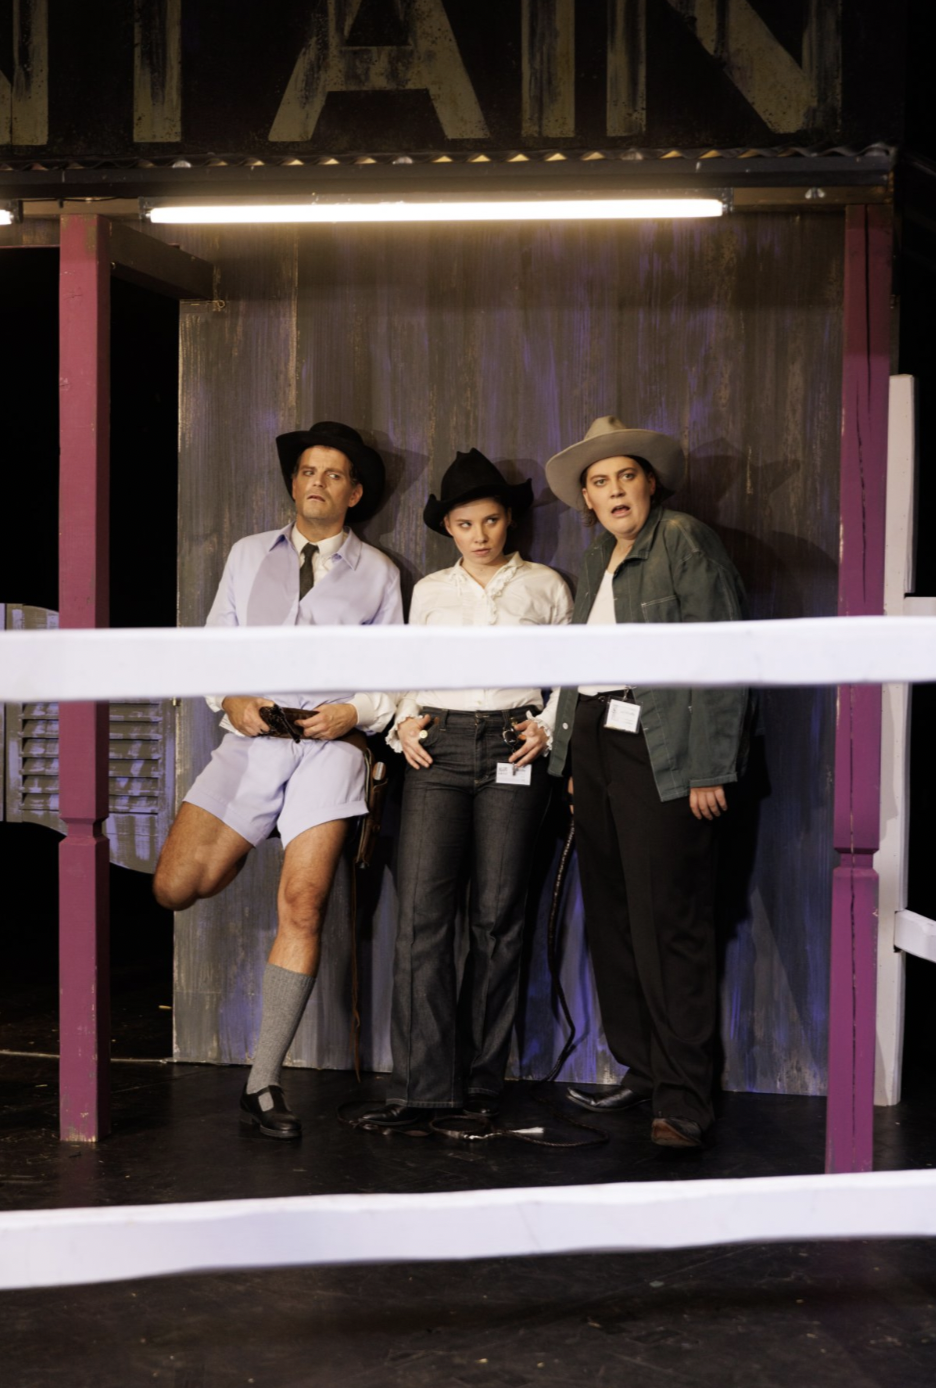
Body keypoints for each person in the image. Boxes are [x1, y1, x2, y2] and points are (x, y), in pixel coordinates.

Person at [153, 421, 403, 1140]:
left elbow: (396, 677)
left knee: (303, 903)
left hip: (332, 748)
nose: (317, 482)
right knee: (175, 887)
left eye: (333, 474)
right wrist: (230, 697)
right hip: (253, 742)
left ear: (354, 494)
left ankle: (261, 1085)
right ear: (294, 483)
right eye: (307, 471)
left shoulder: (379, 573)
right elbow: (214, 649)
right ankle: (251, 830)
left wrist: (354, 711)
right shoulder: (246, 555)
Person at [544, 416, 750, 1148]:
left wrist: (709, 765)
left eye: (625, 475)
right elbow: (584, 665)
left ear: (650, 482)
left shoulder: (684, 540)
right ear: (587, 500)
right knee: (614, 915)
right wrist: (572, 759)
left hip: (662, 746)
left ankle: (684, 1097)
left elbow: (723, 656)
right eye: (599, 482)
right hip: (597, 740)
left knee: (670, 921)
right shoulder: (598, 555)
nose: (614, 491)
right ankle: (644, 1067)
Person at [360, 449, 573, 1130]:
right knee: (421, 917)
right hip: (439, 747)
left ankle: (481, 1083)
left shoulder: (545, 585)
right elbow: (408, 670)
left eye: (490, 520)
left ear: (508, 520)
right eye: (464, 523)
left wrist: (548, 725)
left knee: (498, 917)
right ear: (447, 528)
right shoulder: (429, 591)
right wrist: (403, 722)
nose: (479, 535)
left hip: (514, 743)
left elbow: (574, 669)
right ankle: (421, 1086)